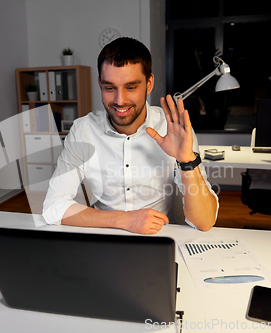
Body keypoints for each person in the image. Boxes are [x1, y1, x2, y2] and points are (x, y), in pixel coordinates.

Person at [42, 37, 218, 234]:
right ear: (100, 84)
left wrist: (186, 161)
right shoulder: (83, 130)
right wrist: (125, 220)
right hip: (103, 236)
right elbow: (52, 207)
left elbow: (205, 222)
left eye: (131, 87)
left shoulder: (173, 129)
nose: (120, 100)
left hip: (159, 238)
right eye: (110, 88)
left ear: (149, 83)